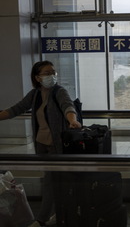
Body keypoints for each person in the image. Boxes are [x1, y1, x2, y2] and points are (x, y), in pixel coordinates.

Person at [0, 61, 82, 227]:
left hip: (56, 145)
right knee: (52, 181)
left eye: (53, 72)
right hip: (42, 144)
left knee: (50, 181)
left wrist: (73, 120)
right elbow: (17, 109)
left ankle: (42, 219)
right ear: (37, 77)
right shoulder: (35, 94)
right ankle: (60, 214)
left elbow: (68, 106)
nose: (52, 75)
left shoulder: (59, 91)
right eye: (47, 73)